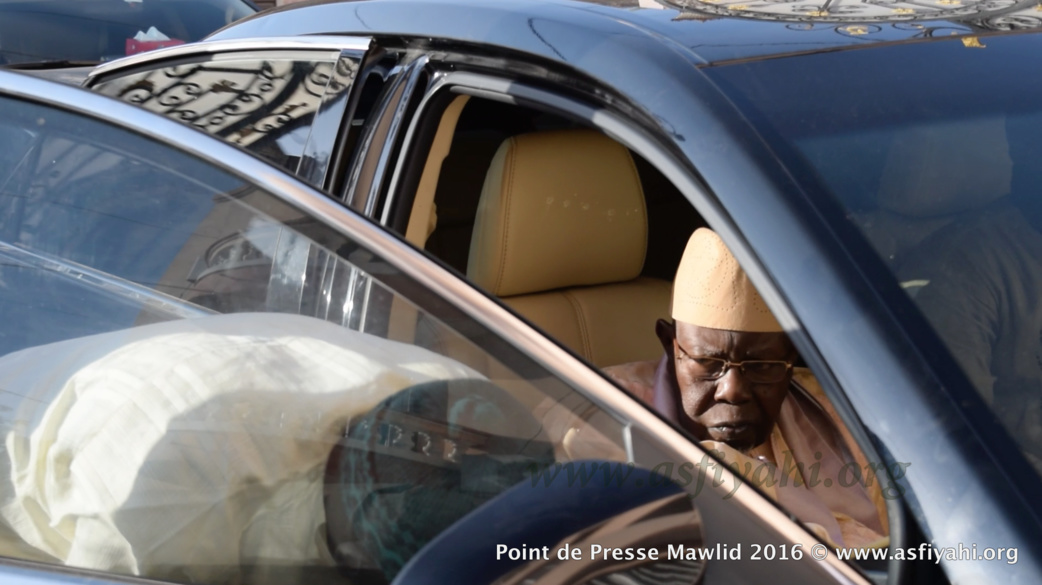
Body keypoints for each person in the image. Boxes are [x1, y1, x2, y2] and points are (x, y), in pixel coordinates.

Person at [608, 228, 890, 549]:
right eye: (708, 362)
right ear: (669, 344)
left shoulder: (838, 415)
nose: (732, 391)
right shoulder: (600, 414)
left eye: (762, 367)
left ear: (790, 358)